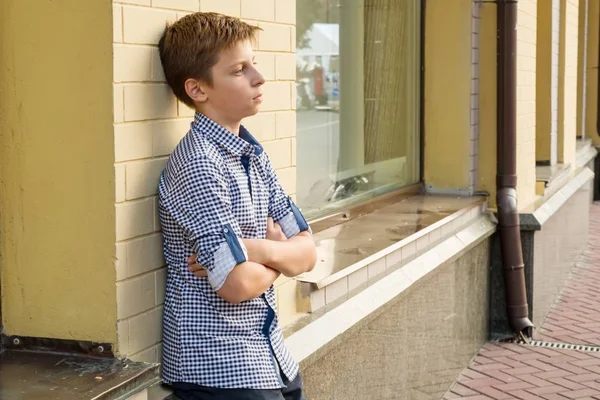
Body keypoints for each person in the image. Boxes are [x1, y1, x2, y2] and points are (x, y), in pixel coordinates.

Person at [156, 12, 317, 400]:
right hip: (219, 368)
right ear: (198, 89)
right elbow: (236, 284)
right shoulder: (198, 165)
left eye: (254, 65)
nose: (258, 78)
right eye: (239, 70)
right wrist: (280, 258)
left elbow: (309, 252)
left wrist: (255, 249)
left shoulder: (252, 154)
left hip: (270, 358)